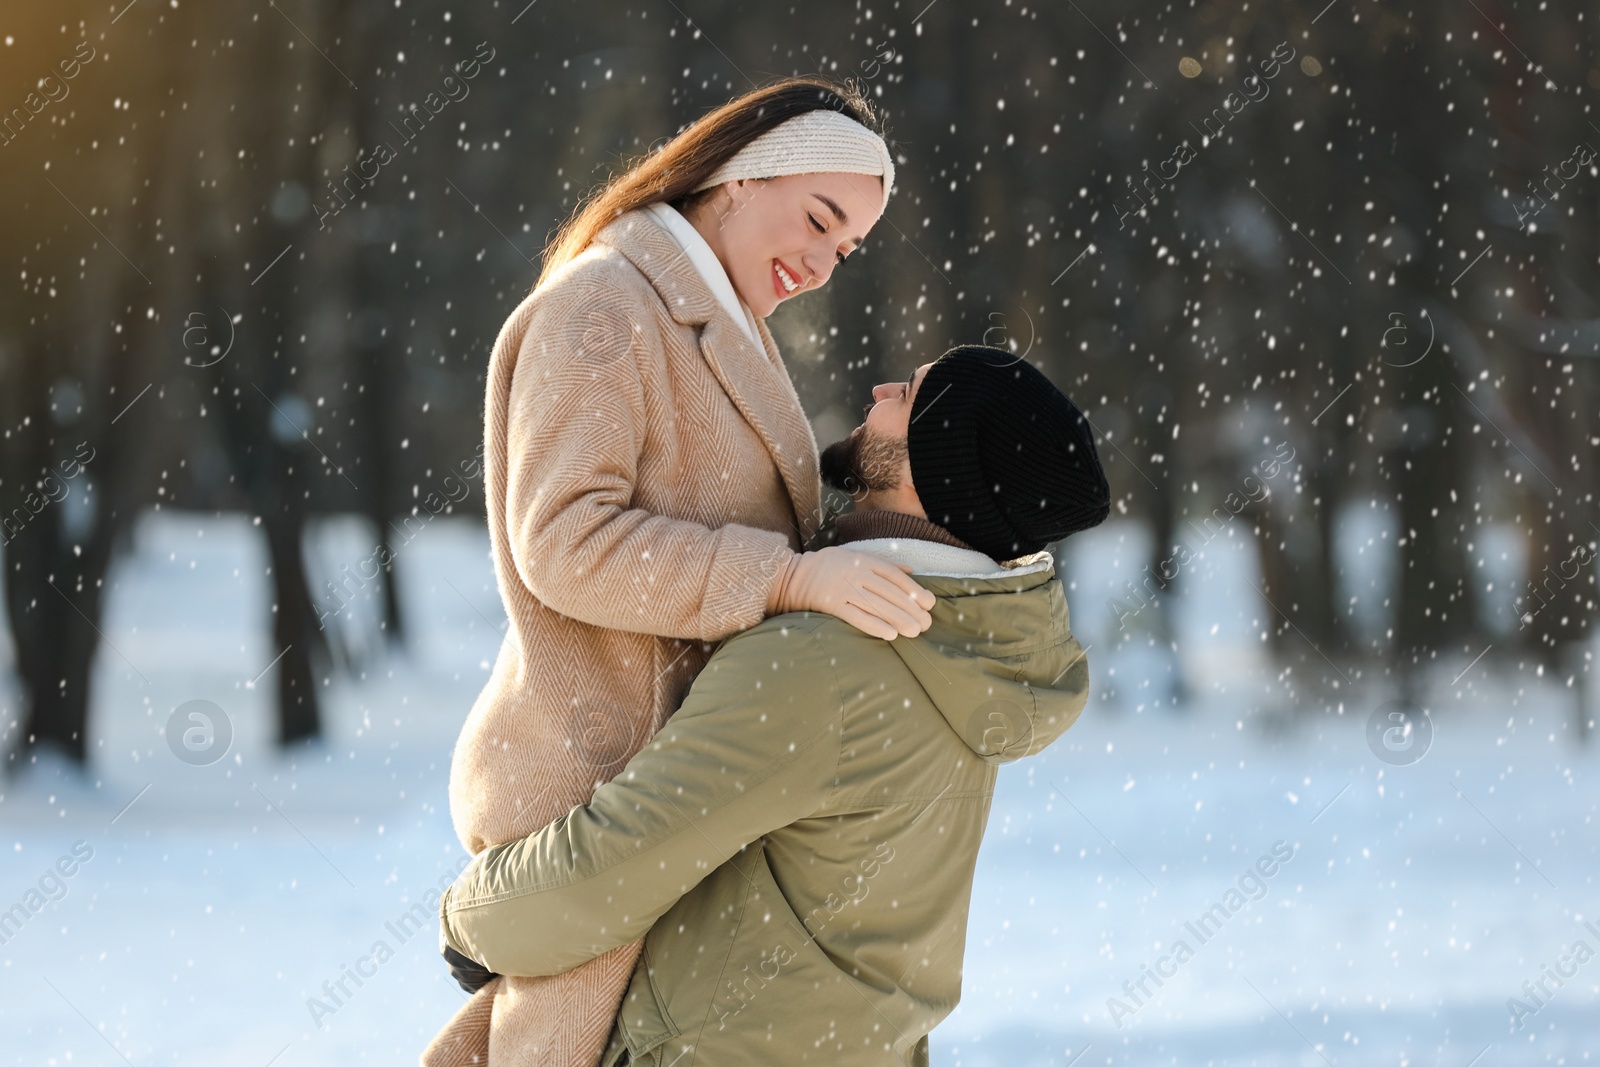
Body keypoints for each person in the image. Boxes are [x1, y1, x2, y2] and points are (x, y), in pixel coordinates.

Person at [422, 78, 944, 1067]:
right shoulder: (603, 305)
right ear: (741, 179)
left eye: (846, 248)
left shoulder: (722, 317)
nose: (823, 263)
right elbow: (565, 542)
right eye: (820, 220)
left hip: (682, 798)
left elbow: (750, 506)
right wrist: (786, 581)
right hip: (598, 790)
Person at [437, 345, 1112, 1066]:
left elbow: (612, 865)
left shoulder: (825, 664)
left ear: (934, 466)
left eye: (909, 396)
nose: (881, 385)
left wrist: (472, 917)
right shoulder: (970, 652)